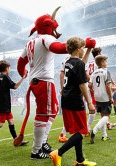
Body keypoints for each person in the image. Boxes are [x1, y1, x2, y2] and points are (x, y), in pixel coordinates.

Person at [17, 7, 96, 158]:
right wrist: (84, 43)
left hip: (36, 80)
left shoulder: (30, 43)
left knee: (52, 110)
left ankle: (43, 142)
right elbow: (60, 48)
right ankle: (36, 150)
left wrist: (23, 73)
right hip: (44, 80)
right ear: (48, 26)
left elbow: (21, 63)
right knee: (43, 114)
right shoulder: (46, 38)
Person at [49, 37, 97, 166]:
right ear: (78, 49)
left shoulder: (67, 62)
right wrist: (90, 102)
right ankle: (58, 153)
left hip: (66, 98)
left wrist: (89, 49)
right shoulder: (79, 64)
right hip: (76, 100)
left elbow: (81, 64)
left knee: (76, 130)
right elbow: (82, 84)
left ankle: (80, 160)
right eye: (82, 47)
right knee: (82, 131)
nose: (83, 49)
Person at [89, 55, 113, 143]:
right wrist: (110, 97)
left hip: (97, 96)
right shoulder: (106, 72)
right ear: (102, 62)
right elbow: (107, 85)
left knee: (103, 115)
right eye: (105, 61)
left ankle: (104, 136)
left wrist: (95, 90)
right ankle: (95, 130)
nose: (106, 63)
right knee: (107, 116)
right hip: (105, 96)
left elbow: (90, 85)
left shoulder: (94, 73)